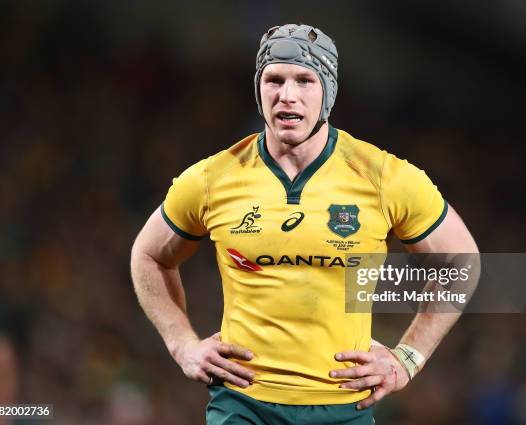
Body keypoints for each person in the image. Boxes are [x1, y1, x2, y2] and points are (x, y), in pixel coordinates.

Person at [131, 24, 478, 424]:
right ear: (258, 89)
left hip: (344, 408)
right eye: (274, 79)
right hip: (242, 405)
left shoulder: (384, 177)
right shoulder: (212, 178)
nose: (287, 95)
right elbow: (149, 256)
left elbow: (462, 261)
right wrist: (182, 345)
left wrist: (407, 358)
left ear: (328, 91)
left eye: (304, 80)